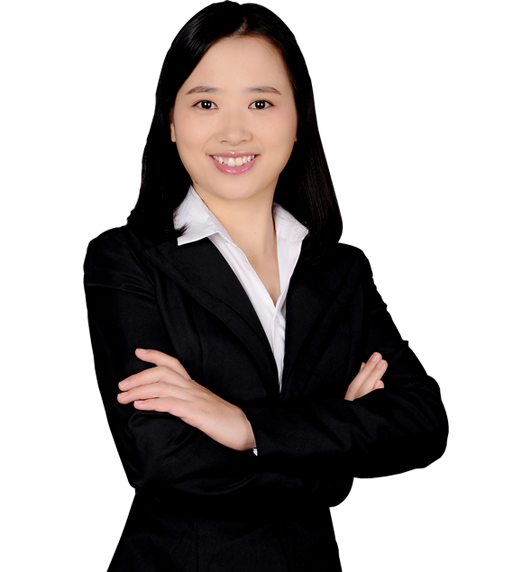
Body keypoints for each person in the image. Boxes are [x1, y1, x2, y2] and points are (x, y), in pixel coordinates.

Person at [83, 3, 448, 571]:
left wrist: (245, 427)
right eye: (206, 103)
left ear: (298, 119)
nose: (234, 131)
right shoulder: (127, 262)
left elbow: (421, 423)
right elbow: (165, 463)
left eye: (260, 103)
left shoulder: (341, 271)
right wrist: (338, 458)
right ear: (172, 122)